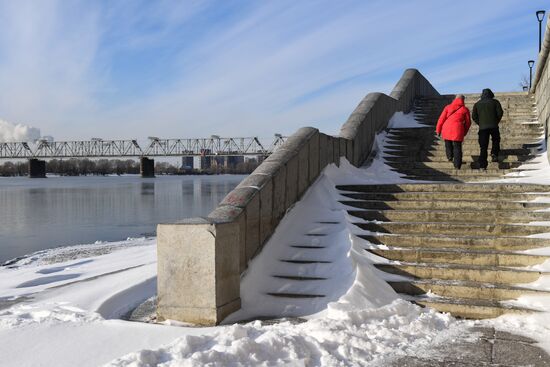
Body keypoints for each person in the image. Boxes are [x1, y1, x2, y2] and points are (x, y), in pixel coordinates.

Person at [435, 94, 471, 169]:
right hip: (458, 129)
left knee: (448, 143)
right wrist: (464, 132)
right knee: (457, 147)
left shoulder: (447, 107)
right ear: (463, 100)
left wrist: (438, 129)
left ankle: (449, 156)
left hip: (446, 128)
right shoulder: (465, 109)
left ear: (455, 99)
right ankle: (457, 165)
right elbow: (468, 123)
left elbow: (441, 119)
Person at [472, 88, 503, 170]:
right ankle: (494, 154)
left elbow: (474, 116)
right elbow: (500, 113)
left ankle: (482, 164)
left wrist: (480, 123)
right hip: (494, 126)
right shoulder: (495, 102)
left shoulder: (477, 104)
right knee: (496, 140)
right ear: (491, 94)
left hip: (483, 128)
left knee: (483, 146)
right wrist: (496, 121)